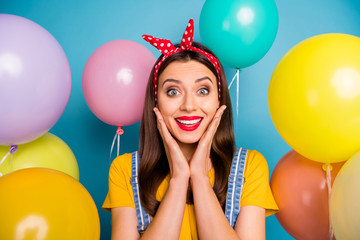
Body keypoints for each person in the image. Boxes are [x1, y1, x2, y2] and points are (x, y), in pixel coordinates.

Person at [102, 19, 278, 240]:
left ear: (219, 100)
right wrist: (179, 178)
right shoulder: (125, 172)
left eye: (202, 91)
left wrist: (200, 178)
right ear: (156, 103)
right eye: (173, 91)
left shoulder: (249, 167)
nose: (188, 105)